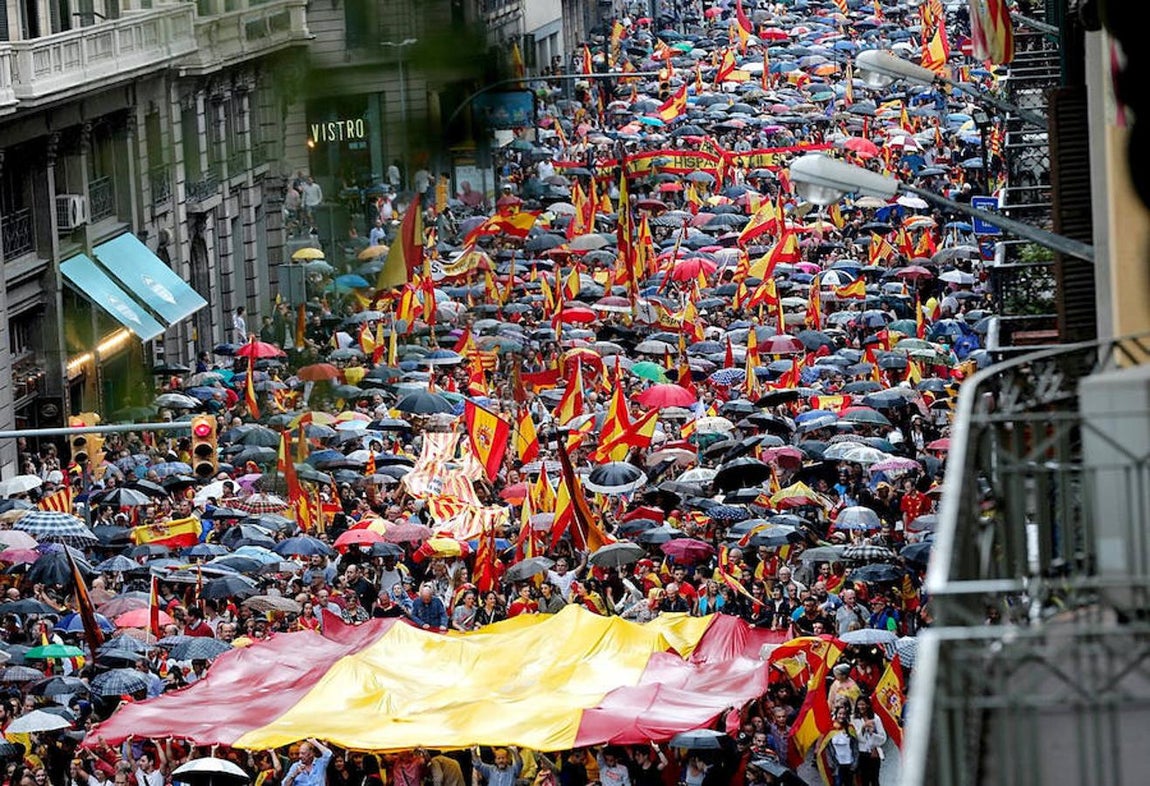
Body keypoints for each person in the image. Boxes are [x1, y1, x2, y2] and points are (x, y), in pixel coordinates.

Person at [851, 695, 887, 786]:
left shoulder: (876, 718)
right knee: (864, 779)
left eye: (863, 704)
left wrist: (872, 734)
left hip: (874, 753)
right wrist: (863, 728)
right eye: (859, 705)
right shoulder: (854, 719)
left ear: (867, 705)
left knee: (875, 779)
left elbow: (883, 738)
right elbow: (855, 738)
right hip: (862, 753)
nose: (861, 707)